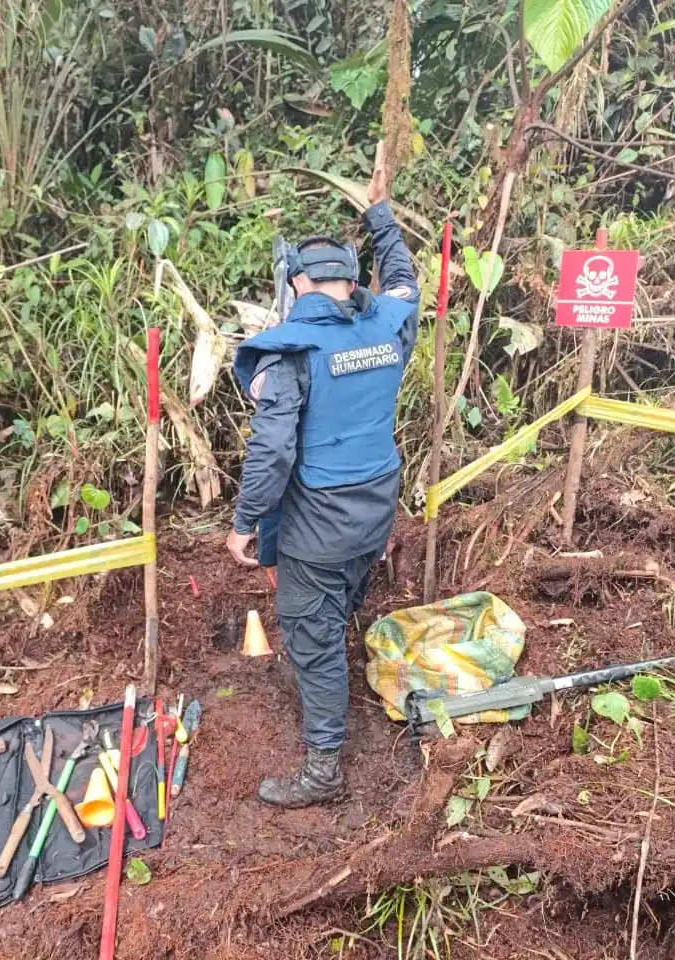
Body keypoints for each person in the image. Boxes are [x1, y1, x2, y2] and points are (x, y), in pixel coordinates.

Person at [226, 145, 420, 808]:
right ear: (349, 280)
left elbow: (273, 451)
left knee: (309, 633)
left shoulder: (294, 353)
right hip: (375, 513)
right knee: (341, 600)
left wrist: (246, 523)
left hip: (320, 524)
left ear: (298, 286)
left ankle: (324, 768)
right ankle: (338, 654)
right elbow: (404, 281)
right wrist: (381, 217)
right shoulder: (388, 330)